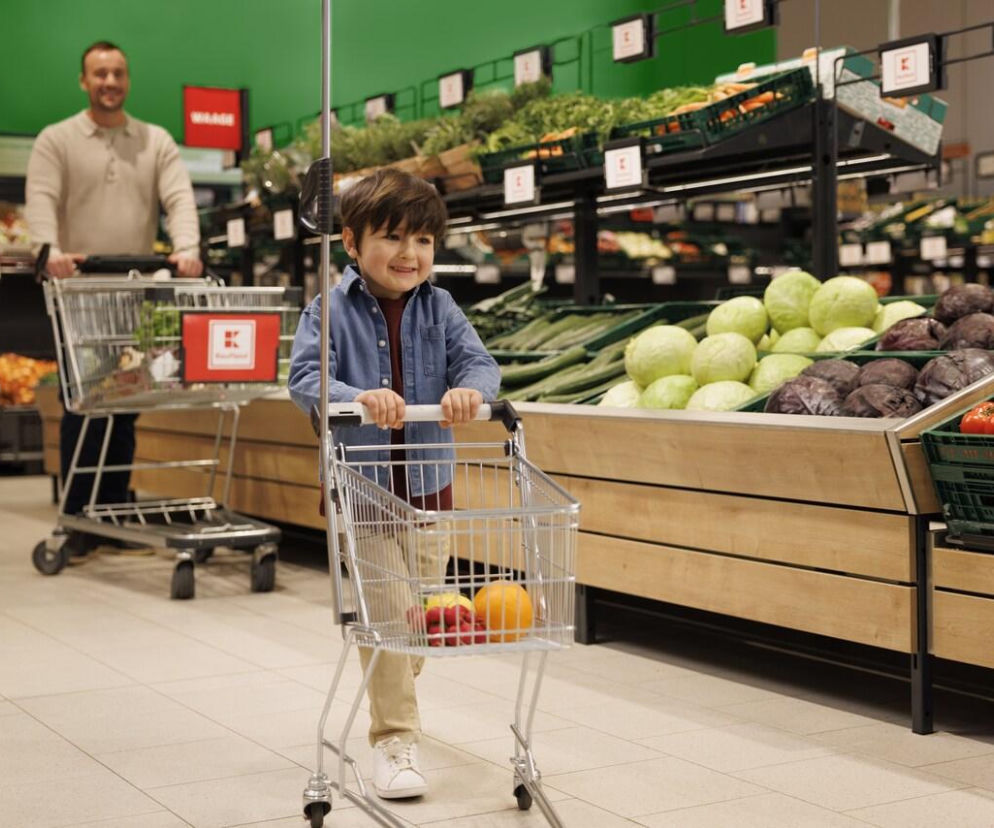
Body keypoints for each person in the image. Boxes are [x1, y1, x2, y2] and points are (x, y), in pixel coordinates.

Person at [287, 168, 500, 799]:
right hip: (364, 491)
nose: (410, 254)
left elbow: (479, 363)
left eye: (424, 241)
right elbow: (305, 379)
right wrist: (358, 398)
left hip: (431, 487)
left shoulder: (443, 306)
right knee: (390, 615)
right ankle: (394, 740)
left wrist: (471, 391)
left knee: (419, 622)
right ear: (350, 242)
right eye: (392, 237)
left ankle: (392, 693)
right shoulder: (326, 310)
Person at [25, 41, 203, 556]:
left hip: (134, 294)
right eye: (100, 73)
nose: (110, 81)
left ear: (128, 79)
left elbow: (179, 198)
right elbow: (41, 200)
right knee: (82, 404)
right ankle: (80, 517)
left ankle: (115, 509)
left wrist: (187, 248)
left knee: (128, 402)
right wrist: (49, 250)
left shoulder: (155, 140)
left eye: (118, 73)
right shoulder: (56, 140)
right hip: (75, 294)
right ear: (84, 80)